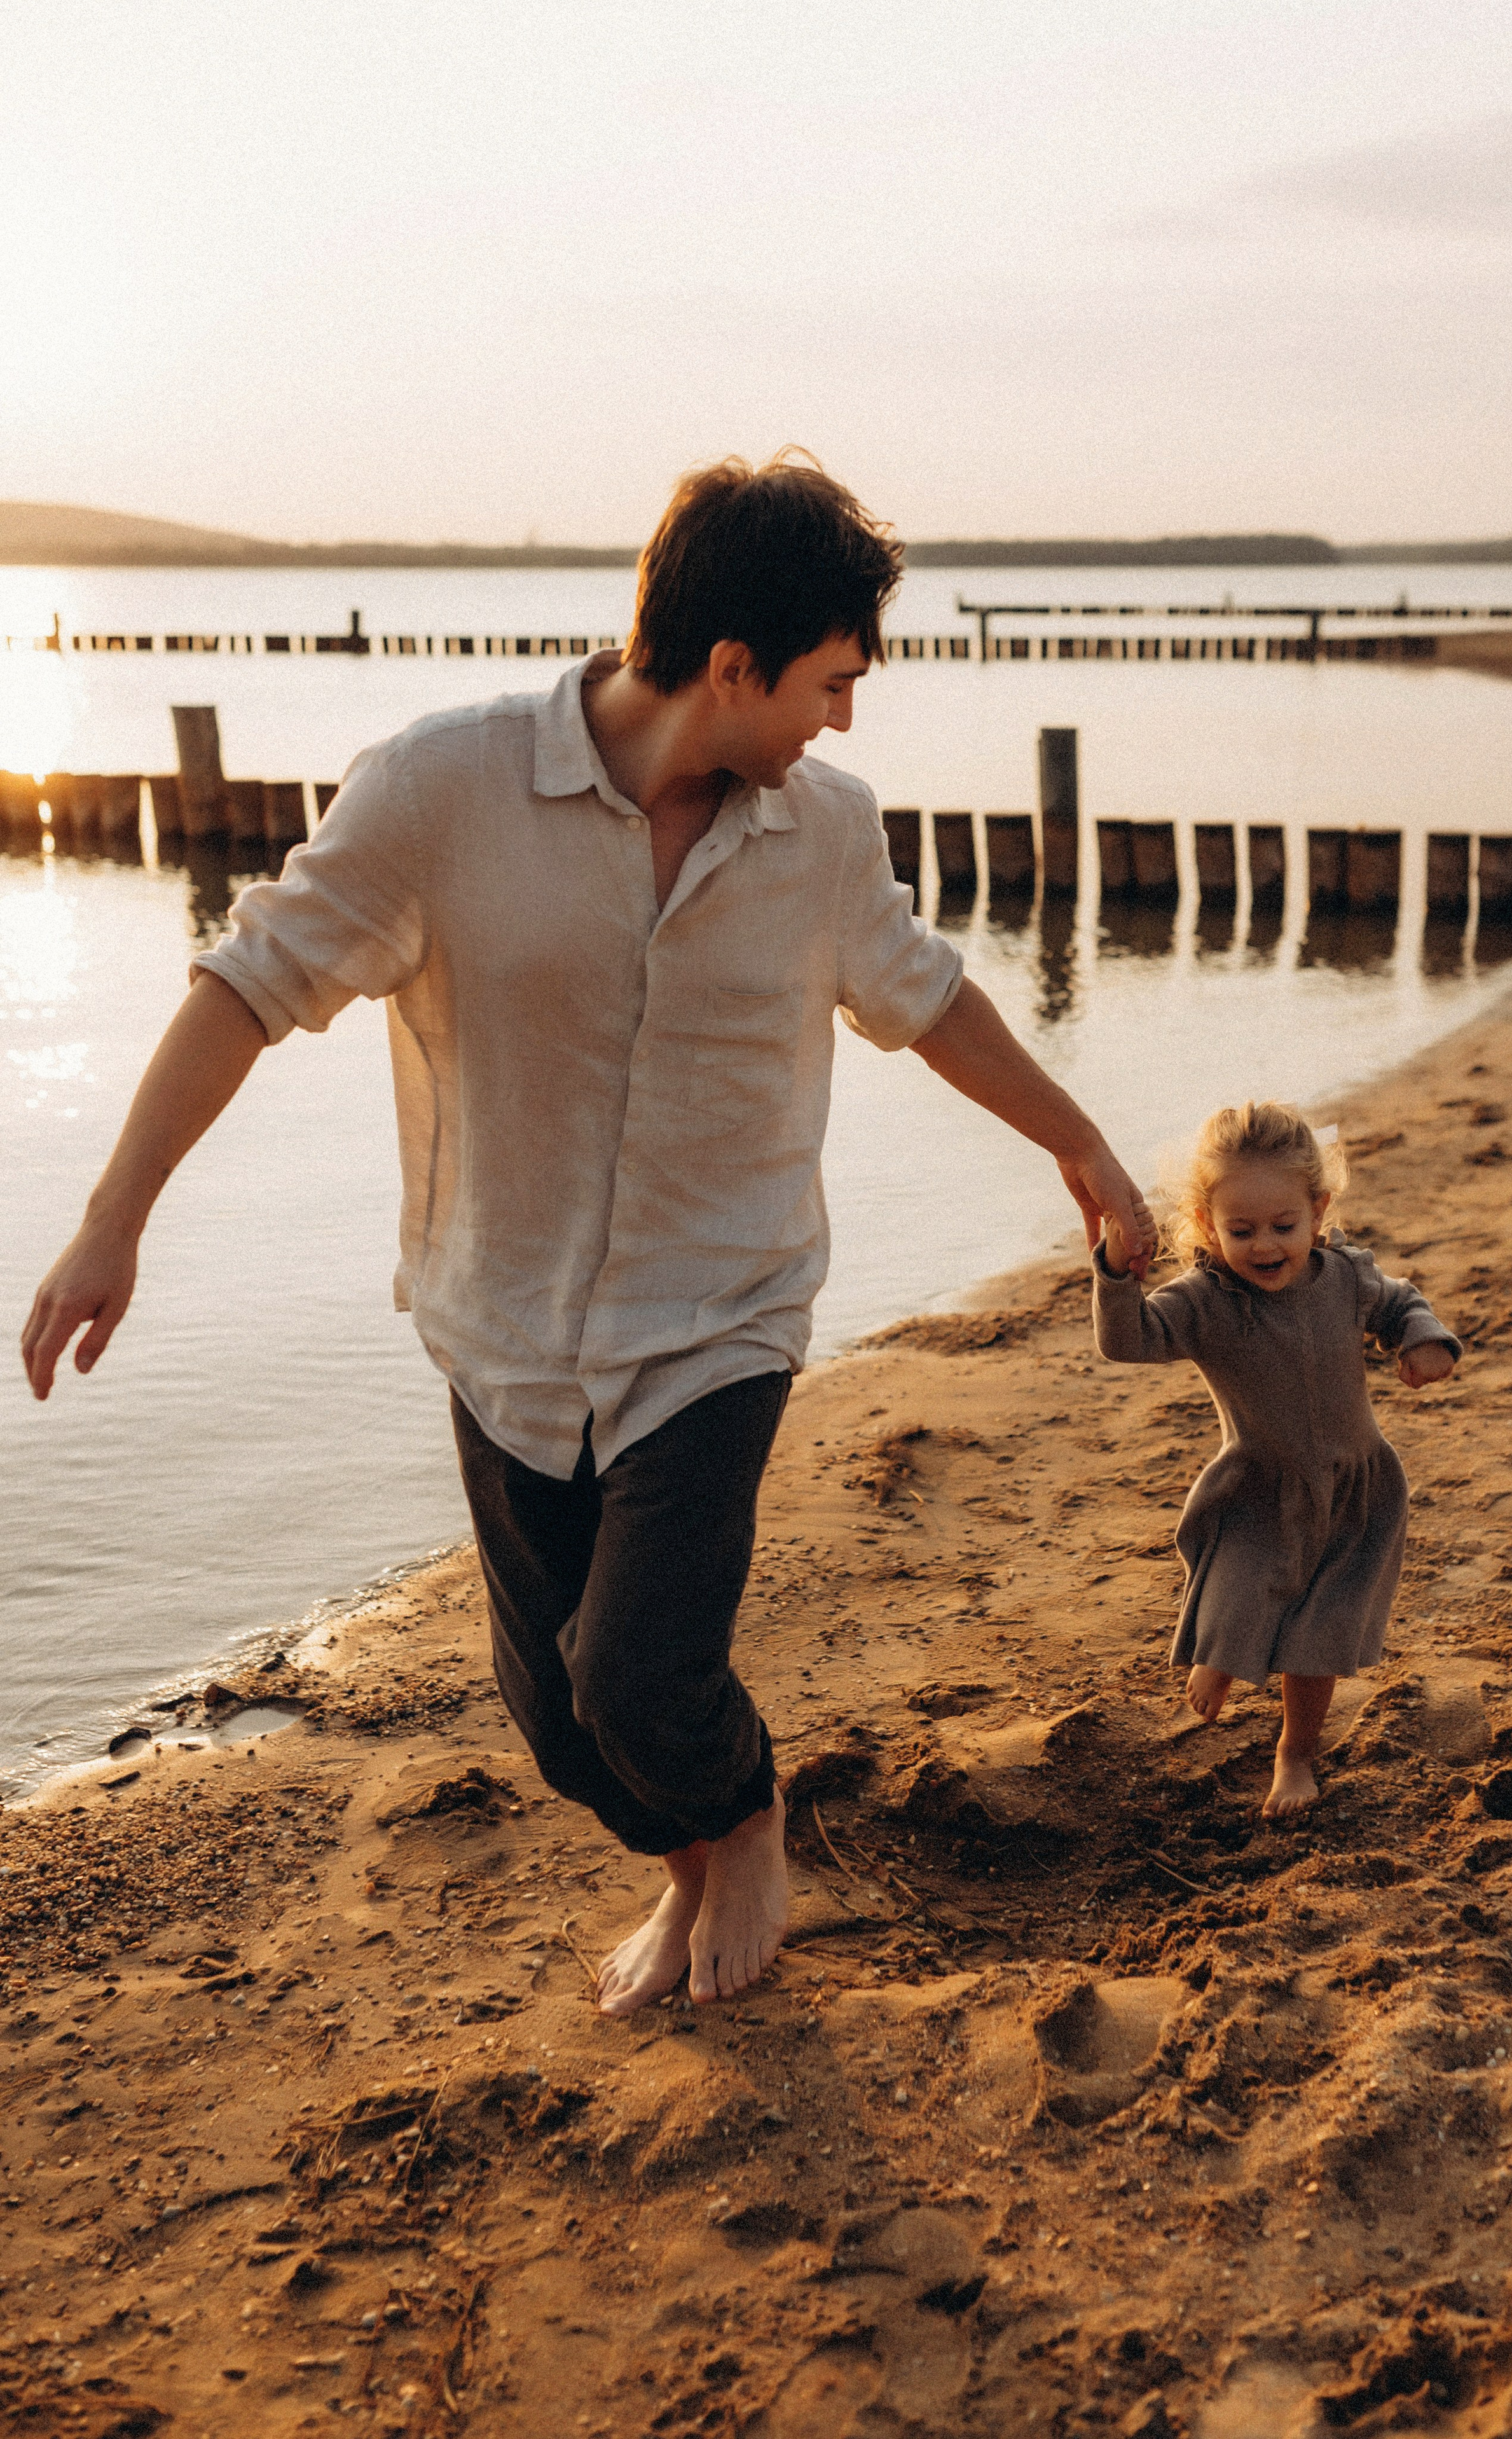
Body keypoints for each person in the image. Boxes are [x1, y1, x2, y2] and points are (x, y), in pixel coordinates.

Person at [22, 449, 1155, 2012]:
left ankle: (745, 1822)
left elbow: (926, 995)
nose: (842, 718)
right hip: (502, 1324)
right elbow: (246, 984)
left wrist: (1077, 1141)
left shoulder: (819, 831)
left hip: (721, 1313)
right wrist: (111, 1221)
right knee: (555, 1719)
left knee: (636, 1668)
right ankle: (688, 1865)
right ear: (731, 663)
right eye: (830, 681)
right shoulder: (439, 791)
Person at [1093, 1101, 1460, 1819]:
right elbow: (1129, 1338)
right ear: (1206, 1226)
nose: (1265, 1245)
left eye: (1283, 1226)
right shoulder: (1205, 1301)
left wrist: (1423, 1340)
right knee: (1239, 1588)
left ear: (1316, 1210)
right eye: (1241, 1230)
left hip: (1356, 1488)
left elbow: (1398, 1303)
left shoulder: (1345, 1276)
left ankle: (1294, 1754)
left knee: (1318, 1637)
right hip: (1260, 1487)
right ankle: (1222, 1658)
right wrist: (1113, 1269)